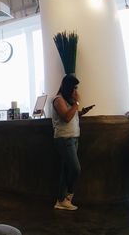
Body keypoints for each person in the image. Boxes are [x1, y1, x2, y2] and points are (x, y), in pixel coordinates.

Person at [51, 74, 93, 211]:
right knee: (75, 169)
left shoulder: (68, 100)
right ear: (68, 87)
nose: (76, 91)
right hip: (64, 139)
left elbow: (72, 114)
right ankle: (68, 195)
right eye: (74, 87)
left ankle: (61, 200)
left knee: (66, 169)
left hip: (74, 138)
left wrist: (81, 112)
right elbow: (67, 117)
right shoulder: (58, 100)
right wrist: (77, 103)